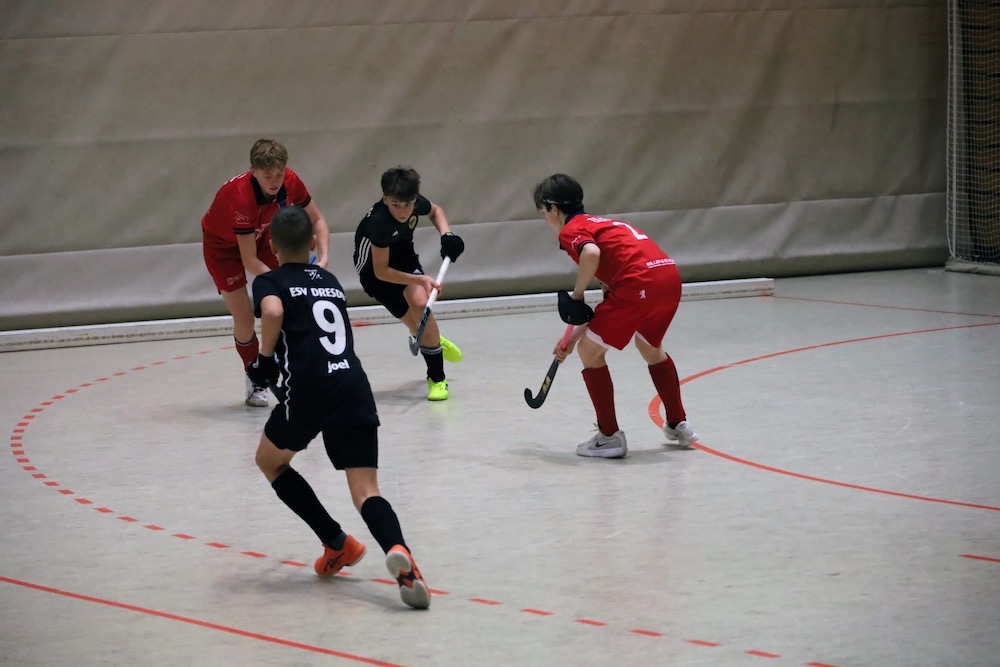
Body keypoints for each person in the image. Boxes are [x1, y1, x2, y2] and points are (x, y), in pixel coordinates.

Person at [248, 205, 430, 610]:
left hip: (309, 389)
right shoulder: (329, 281)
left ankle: (336, 542)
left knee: (270, 461)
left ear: (272, 246)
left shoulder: (269, 280)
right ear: (313, 242)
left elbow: (273, 311)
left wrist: (264, 360)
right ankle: (399, 551)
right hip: (352, 384)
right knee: (366, 491)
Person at [533, 173, 698, 459]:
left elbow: (591, 253)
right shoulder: (604, 224)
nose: (545, 220)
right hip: (668, 279)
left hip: (639, 283)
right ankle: (678, 424)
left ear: (553, 209)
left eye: (543, 213)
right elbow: (611, 297)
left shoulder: (572, 231)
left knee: (590, 352)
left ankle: (609, 436)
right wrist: (572, 338)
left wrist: (577, 295)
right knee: (650, 347)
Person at [201, 138, 331, 408]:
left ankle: (294, 369)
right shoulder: (241, 197)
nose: (275, 182)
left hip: (262, 237)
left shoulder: (290, 181)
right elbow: (249, 260)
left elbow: (318, 219)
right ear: (253, 172)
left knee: (286, 305)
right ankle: (255, 376)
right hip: (223, 247)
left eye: (279, 174)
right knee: (245, 318)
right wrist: (288, 279)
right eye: (267, 176)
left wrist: (323, 258)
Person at [353, 166, 465, 401]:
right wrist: (421, 279)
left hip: (403, 257)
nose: (403, 211)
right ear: (385, 198)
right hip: (375, 274)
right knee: (417, 327)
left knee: (421, 306)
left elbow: (436, 211)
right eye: (396, 205)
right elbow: (382, 271)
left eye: (408, 204)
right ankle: (434, 341)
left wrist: (446, 235)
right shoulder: (379, 222)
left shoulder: (412, 201)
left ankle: (437, 378)